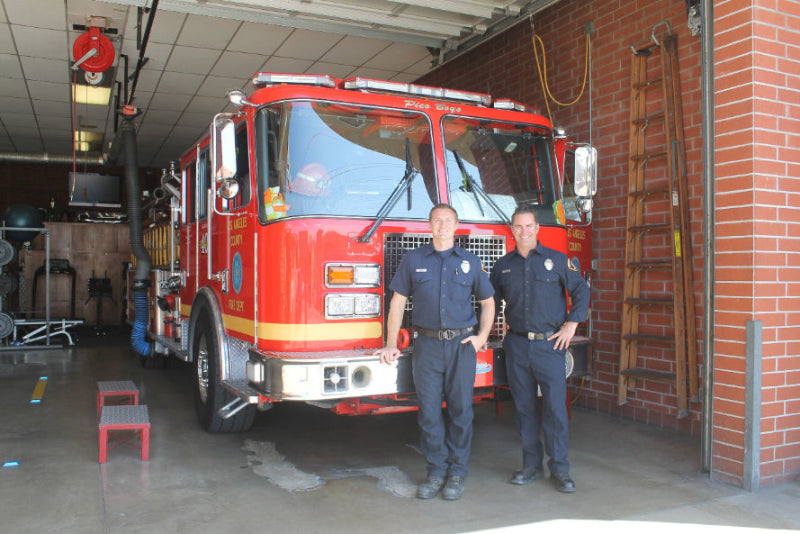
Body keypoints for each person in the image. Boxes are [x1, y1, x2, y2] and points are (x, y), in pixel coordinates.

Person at [376, 203, 495, 501]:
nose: (442, 226)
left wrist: (481, 338)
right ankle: (436, 472)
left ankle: (457, 473)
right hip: (426, 346)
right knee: (429, 414)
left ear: (456, 227)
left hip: (461, 347)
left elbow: (489, 302)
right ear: (429, 226)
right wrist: (391, 343)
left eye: (448, 221)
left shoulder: (470, 261)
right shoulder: (413, 259)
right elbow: (397, 303)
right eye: (437, 221)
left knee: (461, 412)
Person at [490, 204, 590, 493]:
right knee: (524, 409)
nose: (523, 231)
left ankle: (559, 470)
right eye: (518, 226)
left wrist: (572, 324)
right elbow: (491, 303)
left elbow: (581, 290)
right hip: (517, 345)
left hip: (550, 346)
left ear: (537, 229)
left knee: (556, 410)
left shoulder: (558, 261)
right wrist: (484, 332)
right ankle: (531, 466)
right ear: (513, 230)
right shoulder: (503, 266)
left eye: (528, 226)